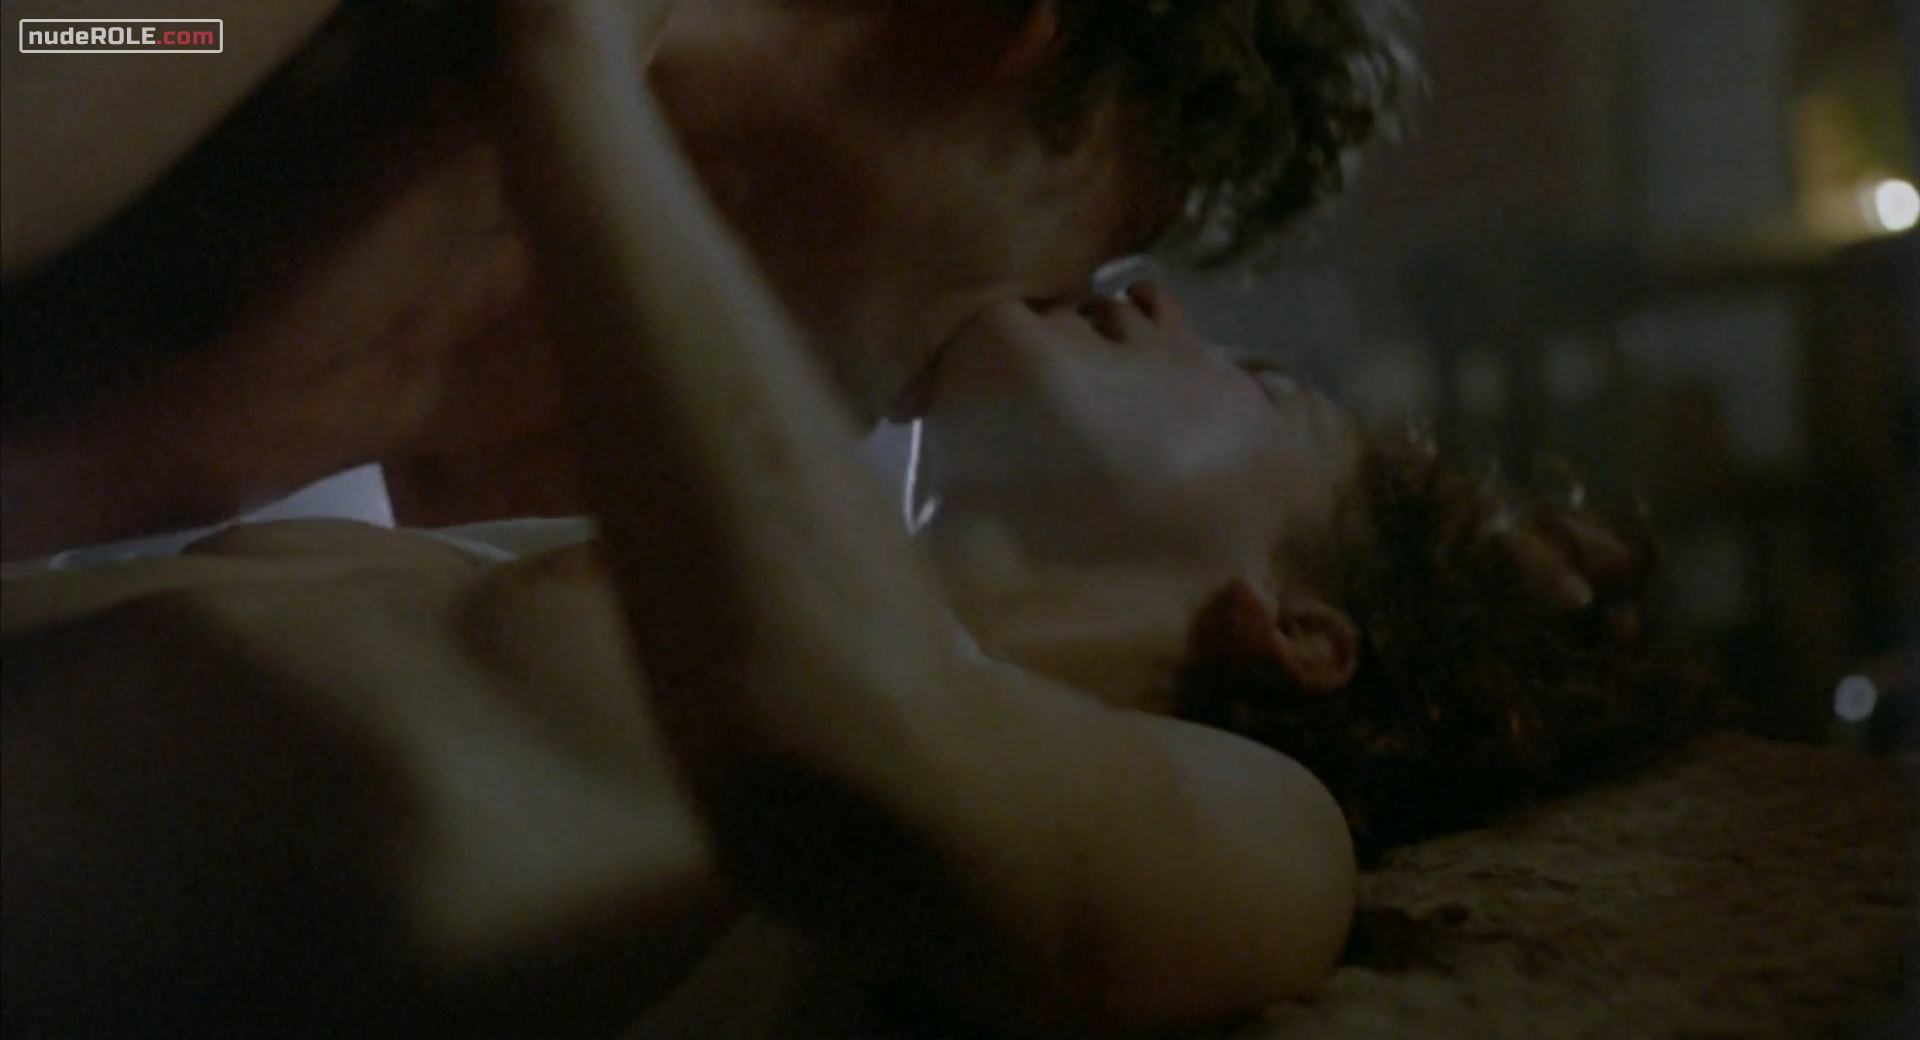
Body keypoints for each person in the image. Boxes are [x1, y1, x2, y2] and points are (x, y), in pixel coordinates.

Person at [1, 10, 1695, 1035]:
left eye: (1261, 381)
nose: (1133, 289)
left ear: (1300, 630)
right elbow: (90, 40)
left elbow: (848, 761)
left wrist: (563, 62)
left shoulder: (1266, 840)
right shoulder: (634, 515)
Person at [0, 0, 1415, 557]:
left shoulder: (608, 406)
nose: (1063, 298)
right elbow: (80, 37)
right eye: (1104, 232)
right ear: (1012, 32)